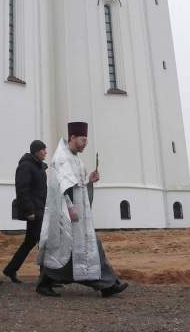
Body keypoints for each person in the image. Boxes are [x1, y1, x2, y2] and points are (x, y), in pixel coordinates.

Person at [37, 122, 127, 298]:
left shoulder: (75, 157)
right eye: (83, 139)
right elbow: (63, 186)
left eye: (86, 140)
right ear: (72, 137)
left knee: (71, 251)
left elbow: (77, 184)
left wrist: (89, 180)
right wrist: (70, 208)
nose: (86, 143)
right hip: (67, 215)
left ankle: (107, 285)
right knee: (81, 248)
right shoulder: (62, 157)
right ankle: (107, 285)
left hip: (78, 215)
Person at [3, 140, 47, 283]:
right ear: (36, 151)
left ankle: (12, 269)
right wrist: (29, 211)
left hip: (40, 209)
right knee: (39, 241)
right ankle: (46, 277)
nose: (46, 152)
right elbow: (22, 190)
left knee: (33, 241)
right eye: (43, 150)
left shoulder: (38, 166)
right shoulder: (26, 166)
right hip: (34, 211)